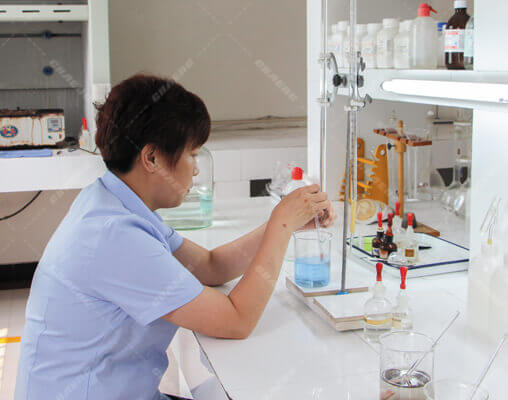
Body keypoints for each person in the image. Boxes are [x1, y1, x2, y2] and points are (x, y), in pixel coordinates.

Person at [15, 74, 336, 400]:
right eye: (192, 154)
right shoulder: (114, 237)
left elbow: (210, 266)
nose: (196, 169)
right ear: (152, 158)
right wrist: (281, 226)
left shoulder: (115, 202)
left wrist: (285, 223)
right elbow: (237, 320)